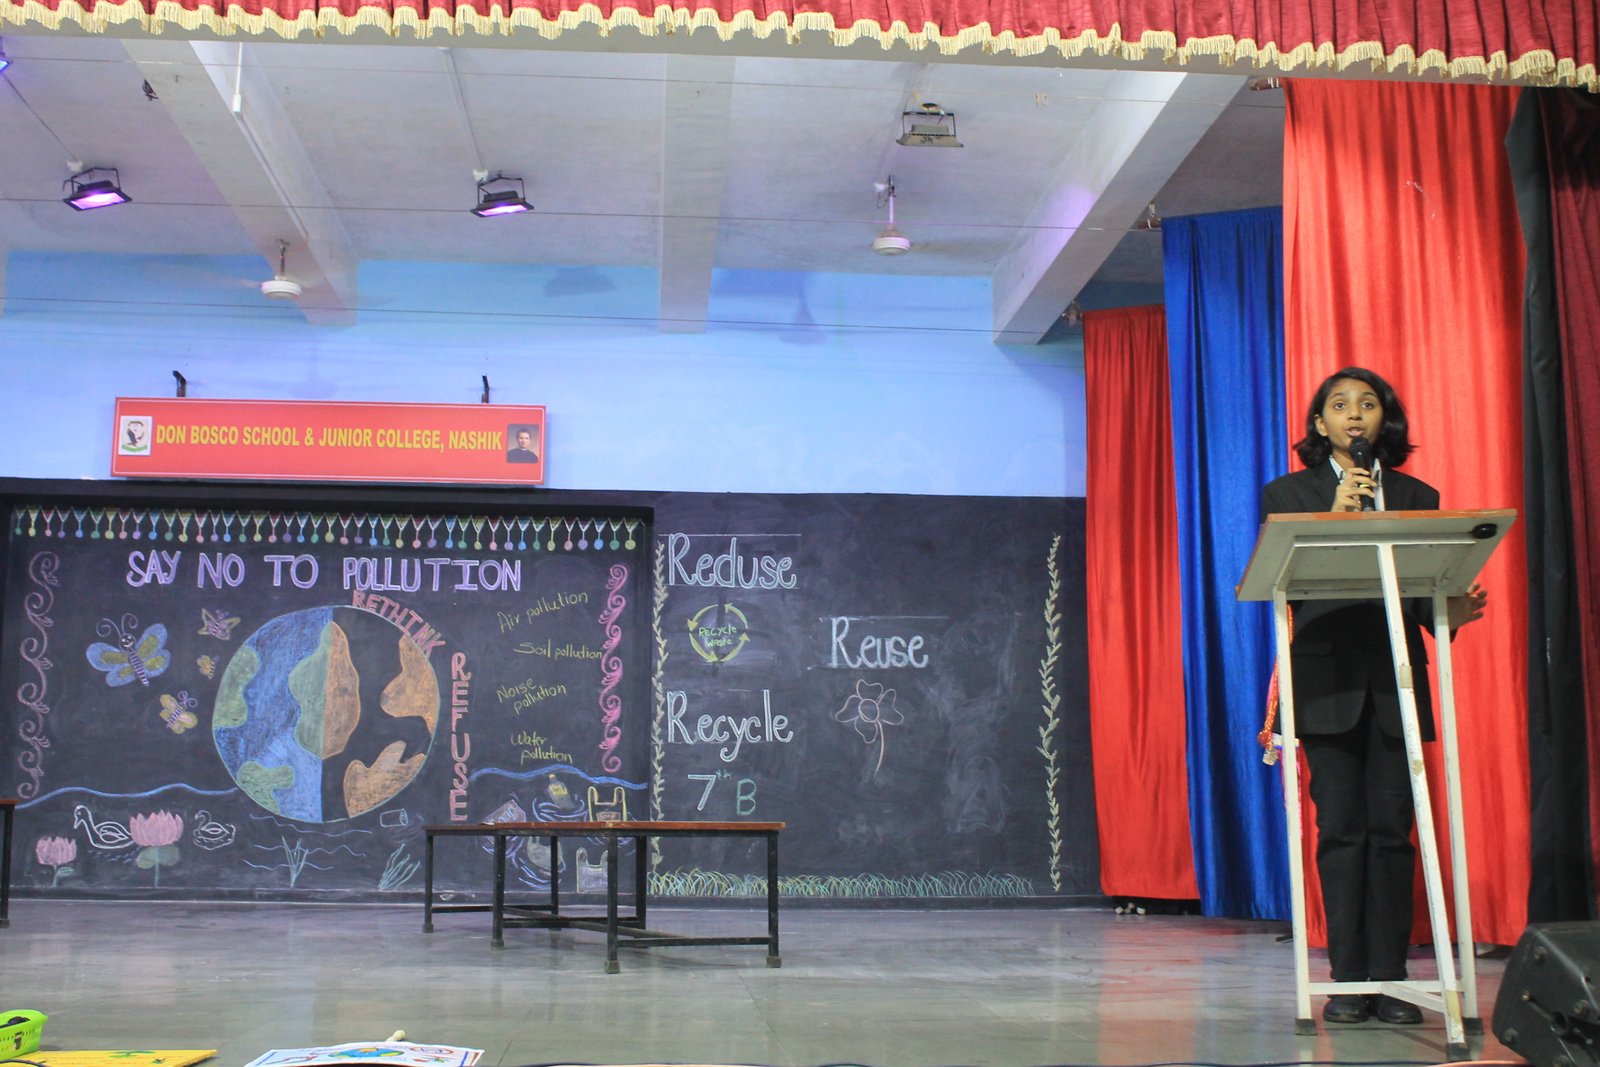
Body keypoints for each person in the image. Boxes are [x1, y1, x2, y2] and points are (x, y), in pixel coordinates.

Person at [1259, 367, 1486, 1027]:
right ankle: (1348, 980)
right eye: (1339, 405)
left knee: (1392, 830)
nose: (1353, 415)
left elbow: (1418, 589)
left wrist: (1447, 610)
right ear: (1319, 423)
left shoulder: (1416, 495)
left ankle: (1392, 978)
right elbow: (1284, 583)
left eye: (1367, 404)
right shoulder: (1289, 493)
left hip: (1396, 679)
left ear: (1385, 420)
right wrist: (1333, 517)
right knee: (1341, 830)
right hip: (1324, 680)